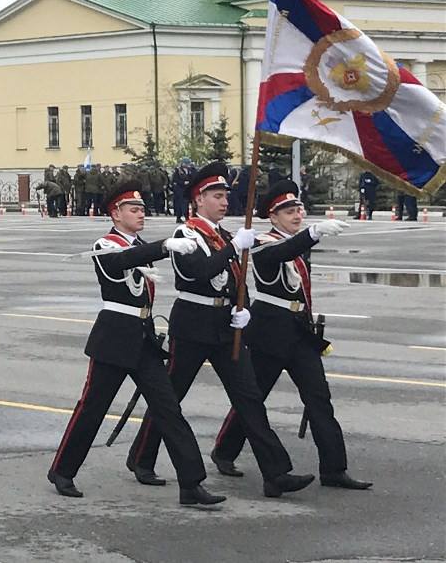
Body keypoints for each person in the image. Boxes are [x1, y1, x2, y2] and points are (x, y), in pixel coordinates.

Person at [125, 161, 315, 498]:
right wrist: (233, 248)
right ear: (198, 200)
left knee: (250, 399)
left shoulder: (225, 234)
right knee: (170, 398)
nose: (225, 201)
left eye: (226, 195)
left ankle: (275, 473)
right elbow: (196, 272)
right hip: (193, 326)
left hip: (226, 327)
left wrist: (243, 312)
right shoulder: (187, 234)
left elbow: (233, 282)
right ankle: (142, 458)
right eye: (216, 195)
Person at [48, 180, 224, 505]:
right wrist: (163, 246)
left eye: (143, 208)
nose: (141, 213)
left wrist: (163, 248)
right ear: (116, 213)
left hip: (142, 337)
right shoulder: (105, 244)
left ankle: (191, 484)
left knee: (169, 408)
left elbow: (143, 255)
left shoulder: (141, 244)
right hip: (114, 336)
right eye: (134, 209)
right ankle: (62, 470)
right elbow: (119, 262)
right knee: (93, 410)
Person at [210, 180, 370, 490]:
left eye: (298, 209)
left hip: (299, 331)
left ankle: (334, 469)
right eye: (288, 211)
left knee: (319, 399)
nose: (296, 215)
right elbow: (279, 254)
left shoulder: (295, 243)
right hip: (269, 332)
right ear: (272, 216)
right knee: (253, 399)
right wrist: (313, 233)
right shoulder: (263, 243)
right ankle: (225, 450)